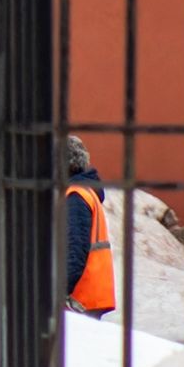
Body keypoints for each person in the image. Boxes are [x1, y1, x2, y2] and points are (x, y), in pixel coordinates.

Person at [65, 134, 115, 319]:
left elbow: (75, 251)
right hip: (92, 294)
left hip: (79, 298)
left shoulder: (75, 196)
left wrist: (58, 293)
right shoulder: (86, 192)